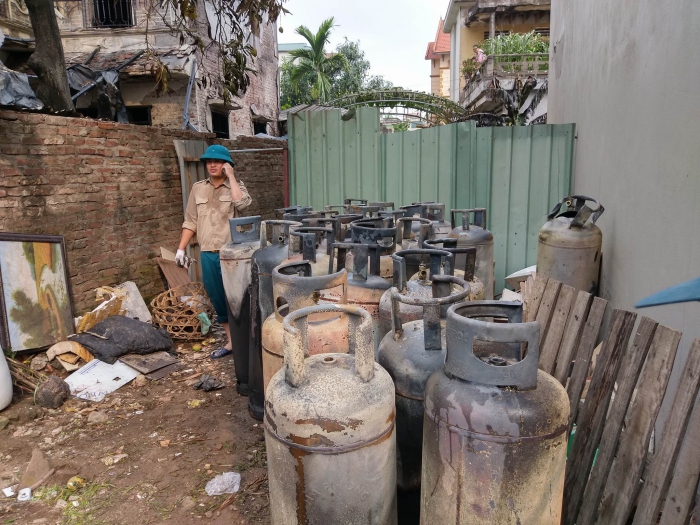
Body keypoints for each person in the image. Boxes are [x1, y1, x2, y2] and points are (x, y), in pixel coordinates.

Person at [176, 145, 252, 360]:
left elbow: (243, 204)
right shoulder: (198, 188)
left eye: (217, 161)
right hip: (208, 253)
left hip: (233, 254)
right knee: (219, 299)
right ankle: (231, 343)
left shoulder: (236, 187)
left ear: (226, 164)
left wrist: (232, 177)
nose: (212, 164)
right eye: (209, 161)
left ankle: (247, 340)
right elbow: (190, 220)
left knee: (238, 298)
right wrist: (181, 249)